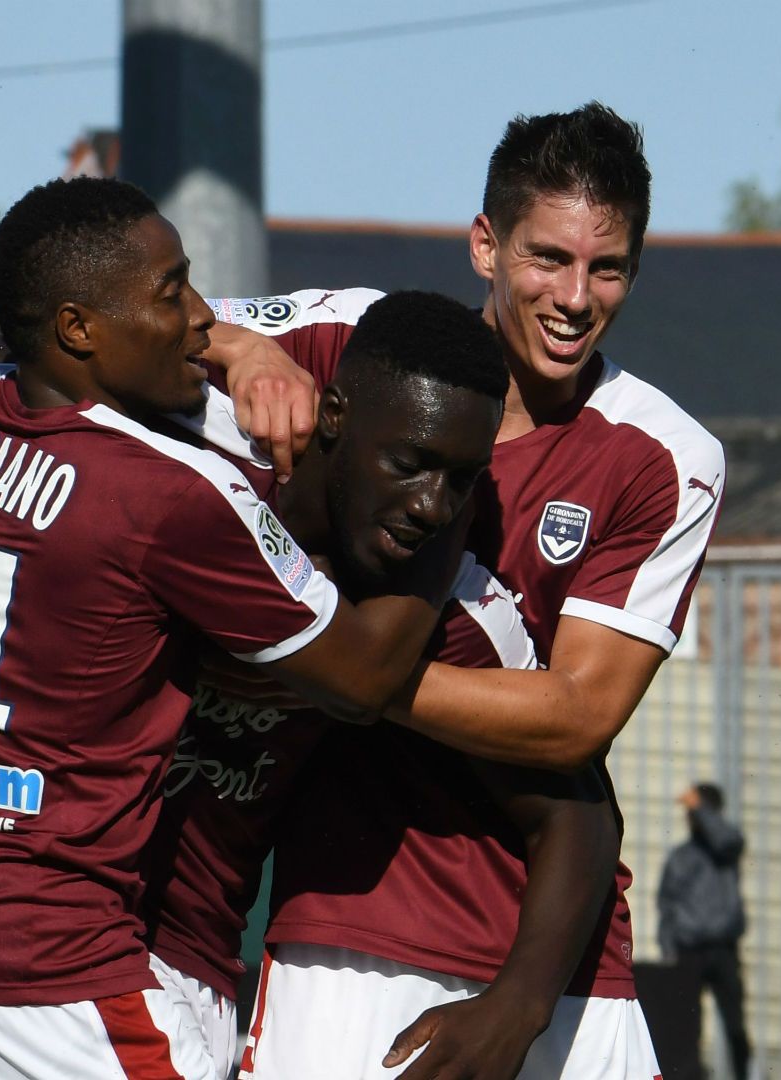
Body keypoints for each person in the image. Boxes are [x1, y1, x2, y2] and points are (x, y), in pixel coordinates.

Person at [0, 177, 468, 1078]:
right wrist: (462, 490)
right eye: (171, 292)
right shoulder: (175, 490)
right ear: (79, 330)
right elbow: (361, 678)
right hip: (39, 968)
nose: (204, 319)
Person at [137, 291, 627, 1080]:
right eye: (409, 464)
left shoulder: (448, 615)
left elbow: (580, 813)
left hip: (173, 961)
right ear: (334, 416)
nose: (434, 506)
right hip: (26, 904)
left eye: (463, 482)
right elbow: (17, 354)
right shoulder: (192, 470)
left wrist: (519, 1006)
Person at [657, 782, 750, 1080]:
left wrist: (700, 807)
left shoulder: (727, 847)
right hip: (688, 951)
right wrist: (668, 948)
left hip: (723, 948)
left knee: (735, 1025)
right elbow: (666, 904)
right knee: (686, 1027)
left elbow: (725, 838)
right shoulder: (681, 856)